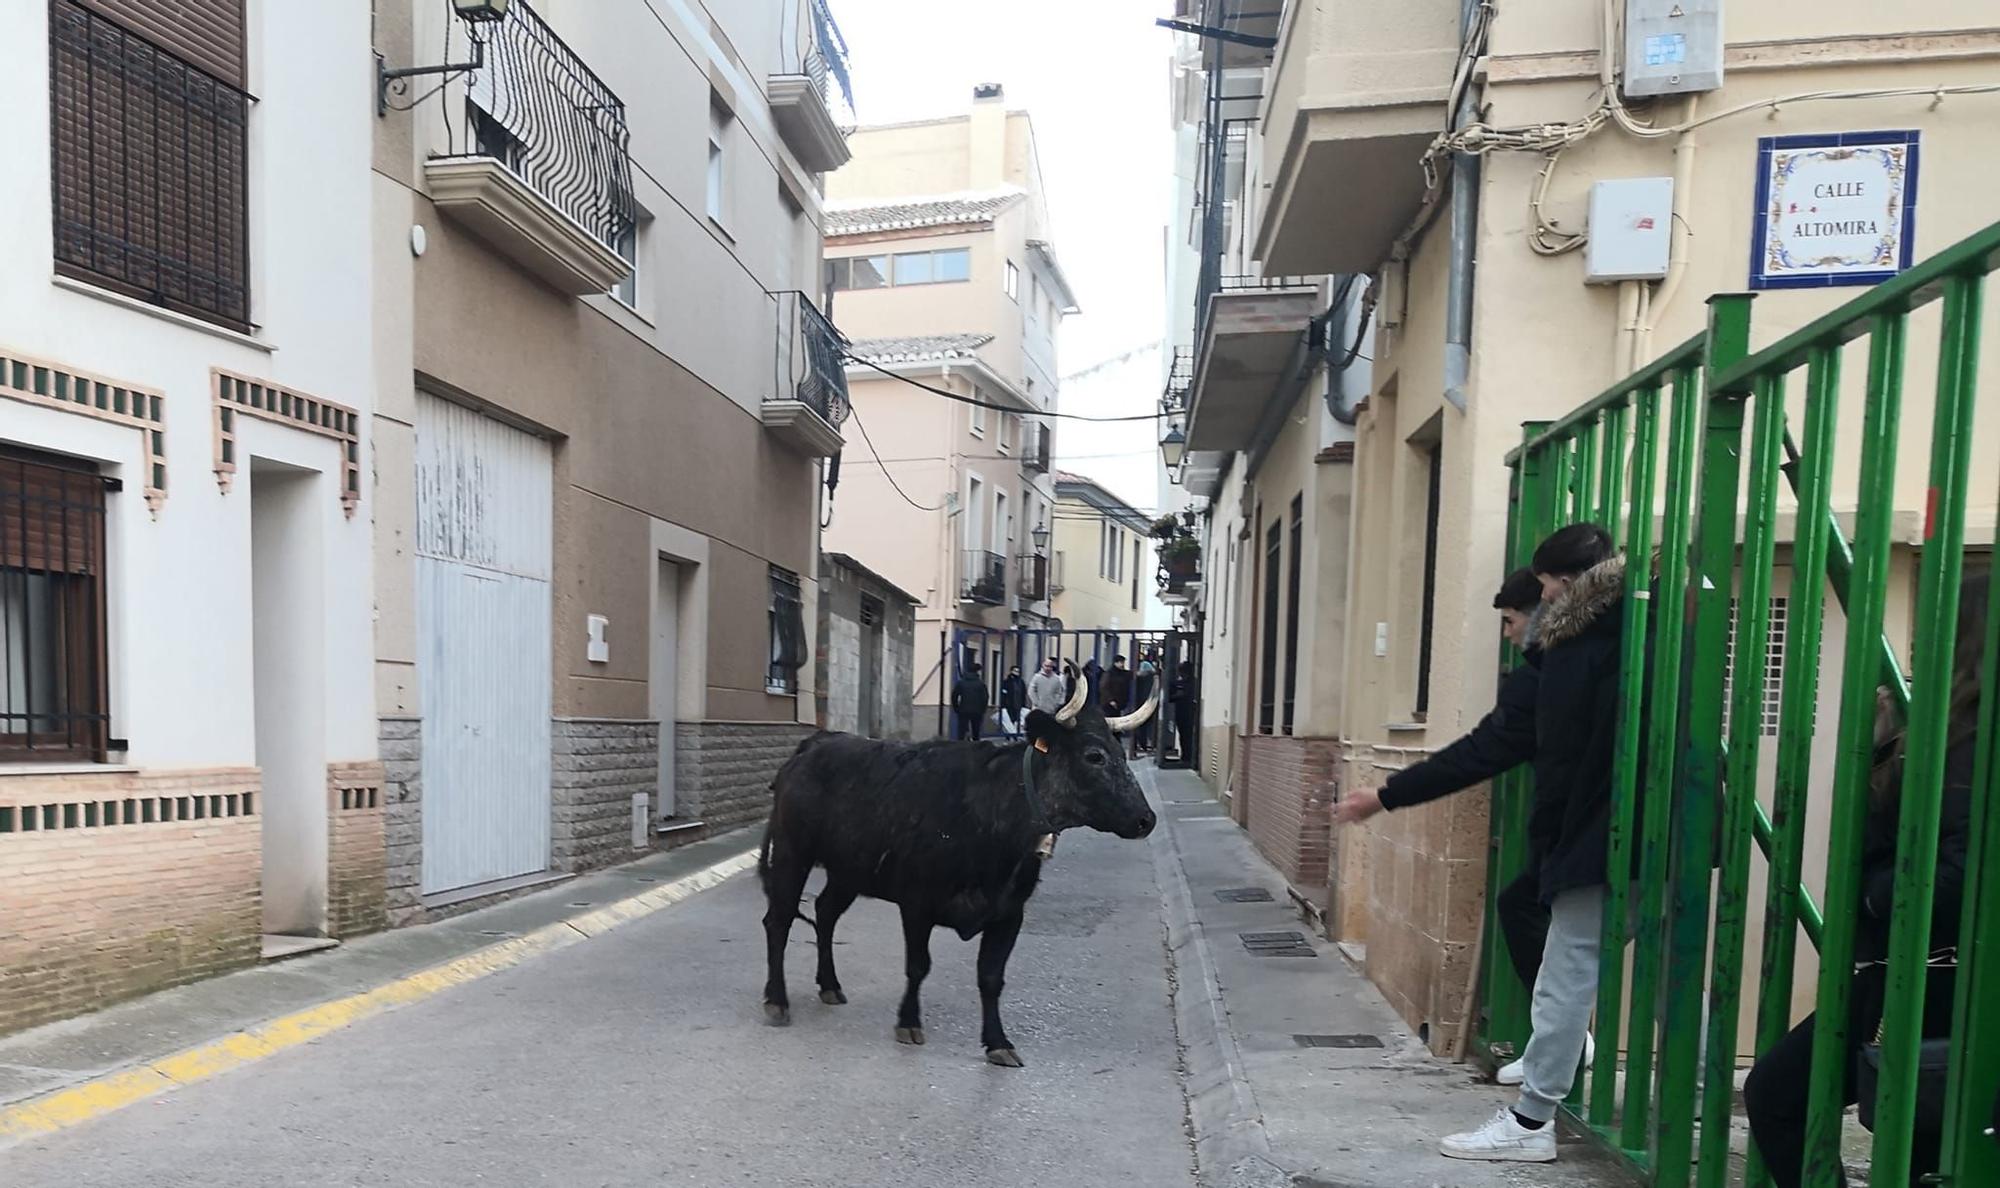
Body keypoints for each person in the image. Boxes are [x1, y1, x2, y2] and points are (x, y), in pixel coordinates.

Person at [1742, 567, 1985, 1188]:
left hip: (1929, 972)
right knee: (1922, 1142)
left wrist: (1874, 901)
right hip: (1930, 971)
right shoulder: (1944, 732)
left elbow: (1952, 869)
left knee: (1778, 1094)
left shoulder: (1967, 743)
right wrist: (1885, 749)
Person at [1442, 523, 1624, 1162]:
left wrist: (1553, 841)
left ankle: (1530, 1123)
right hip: (1657, 829)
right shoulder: (1641, 626)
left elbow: (1560, 757)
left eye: (1543, 587)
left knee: (1566, 970)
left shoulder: (1578, 648)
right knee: (1668, 974)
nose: (1537, 602)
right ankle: (1715, 1098)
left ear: (1566, 585)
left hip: (1600, 832)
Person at [1337, 568, 1551, 1055]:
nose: (1508, 632)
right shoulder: (1616, 650)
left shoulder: (1549, 676)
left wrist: (1383, 796)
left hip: (1604, 836)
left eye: (1511, 619)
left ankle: (1550, 1079)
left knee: (1544, 926)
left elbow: (1481, 752)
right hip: (1651, 827)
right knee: (1662, 952)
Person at [1168, 660, 1198, 765]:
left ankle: (1187, 757)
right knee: (1184, 735)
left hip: (1187, 712)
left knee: (1187, 735)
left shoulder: (1192, 683)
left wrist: (1178, 695)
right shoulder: (1179, 683)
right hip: (1183, 712)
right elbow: (1169, 697)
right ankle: (1186, 756)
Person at [950, 662, 989, 742]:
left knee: (961, 731)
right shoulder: (980, 684)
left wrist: (956, 708)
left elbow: (954, 696)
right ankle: (976, 747)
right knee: (976, 731)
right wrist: (983, 710)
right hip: (977, 711)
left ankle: (960, 746)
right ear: (977, 672)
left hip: (963, 709)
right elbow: (985, 698)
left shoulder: (961, 683)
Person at [1133, 656, 1159, 755]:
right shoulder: (1154, 678)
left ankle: (1141, 744)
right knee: (1151, 725)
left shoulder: (1138, 678)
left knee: (1140, 726)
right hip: (1151, 703)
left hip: (1140, 704)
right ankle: (1152, 744)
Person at [998, 665, 1029, 738]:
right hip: (1009, 705)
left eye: (1018, 671)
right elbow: (1003, 694)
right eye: (1015, 671)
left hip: (1019, 704)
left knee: (1018, 721)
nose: (1017, 673)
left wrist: (1023, 704)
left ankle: (1016, 735)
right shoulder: (1007, 682)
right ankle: (1010, 735)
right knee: (1009, 720)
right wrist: (1003, 704)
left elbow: (1023, 693)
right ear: (1011, 671)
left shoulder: (1021, 682)